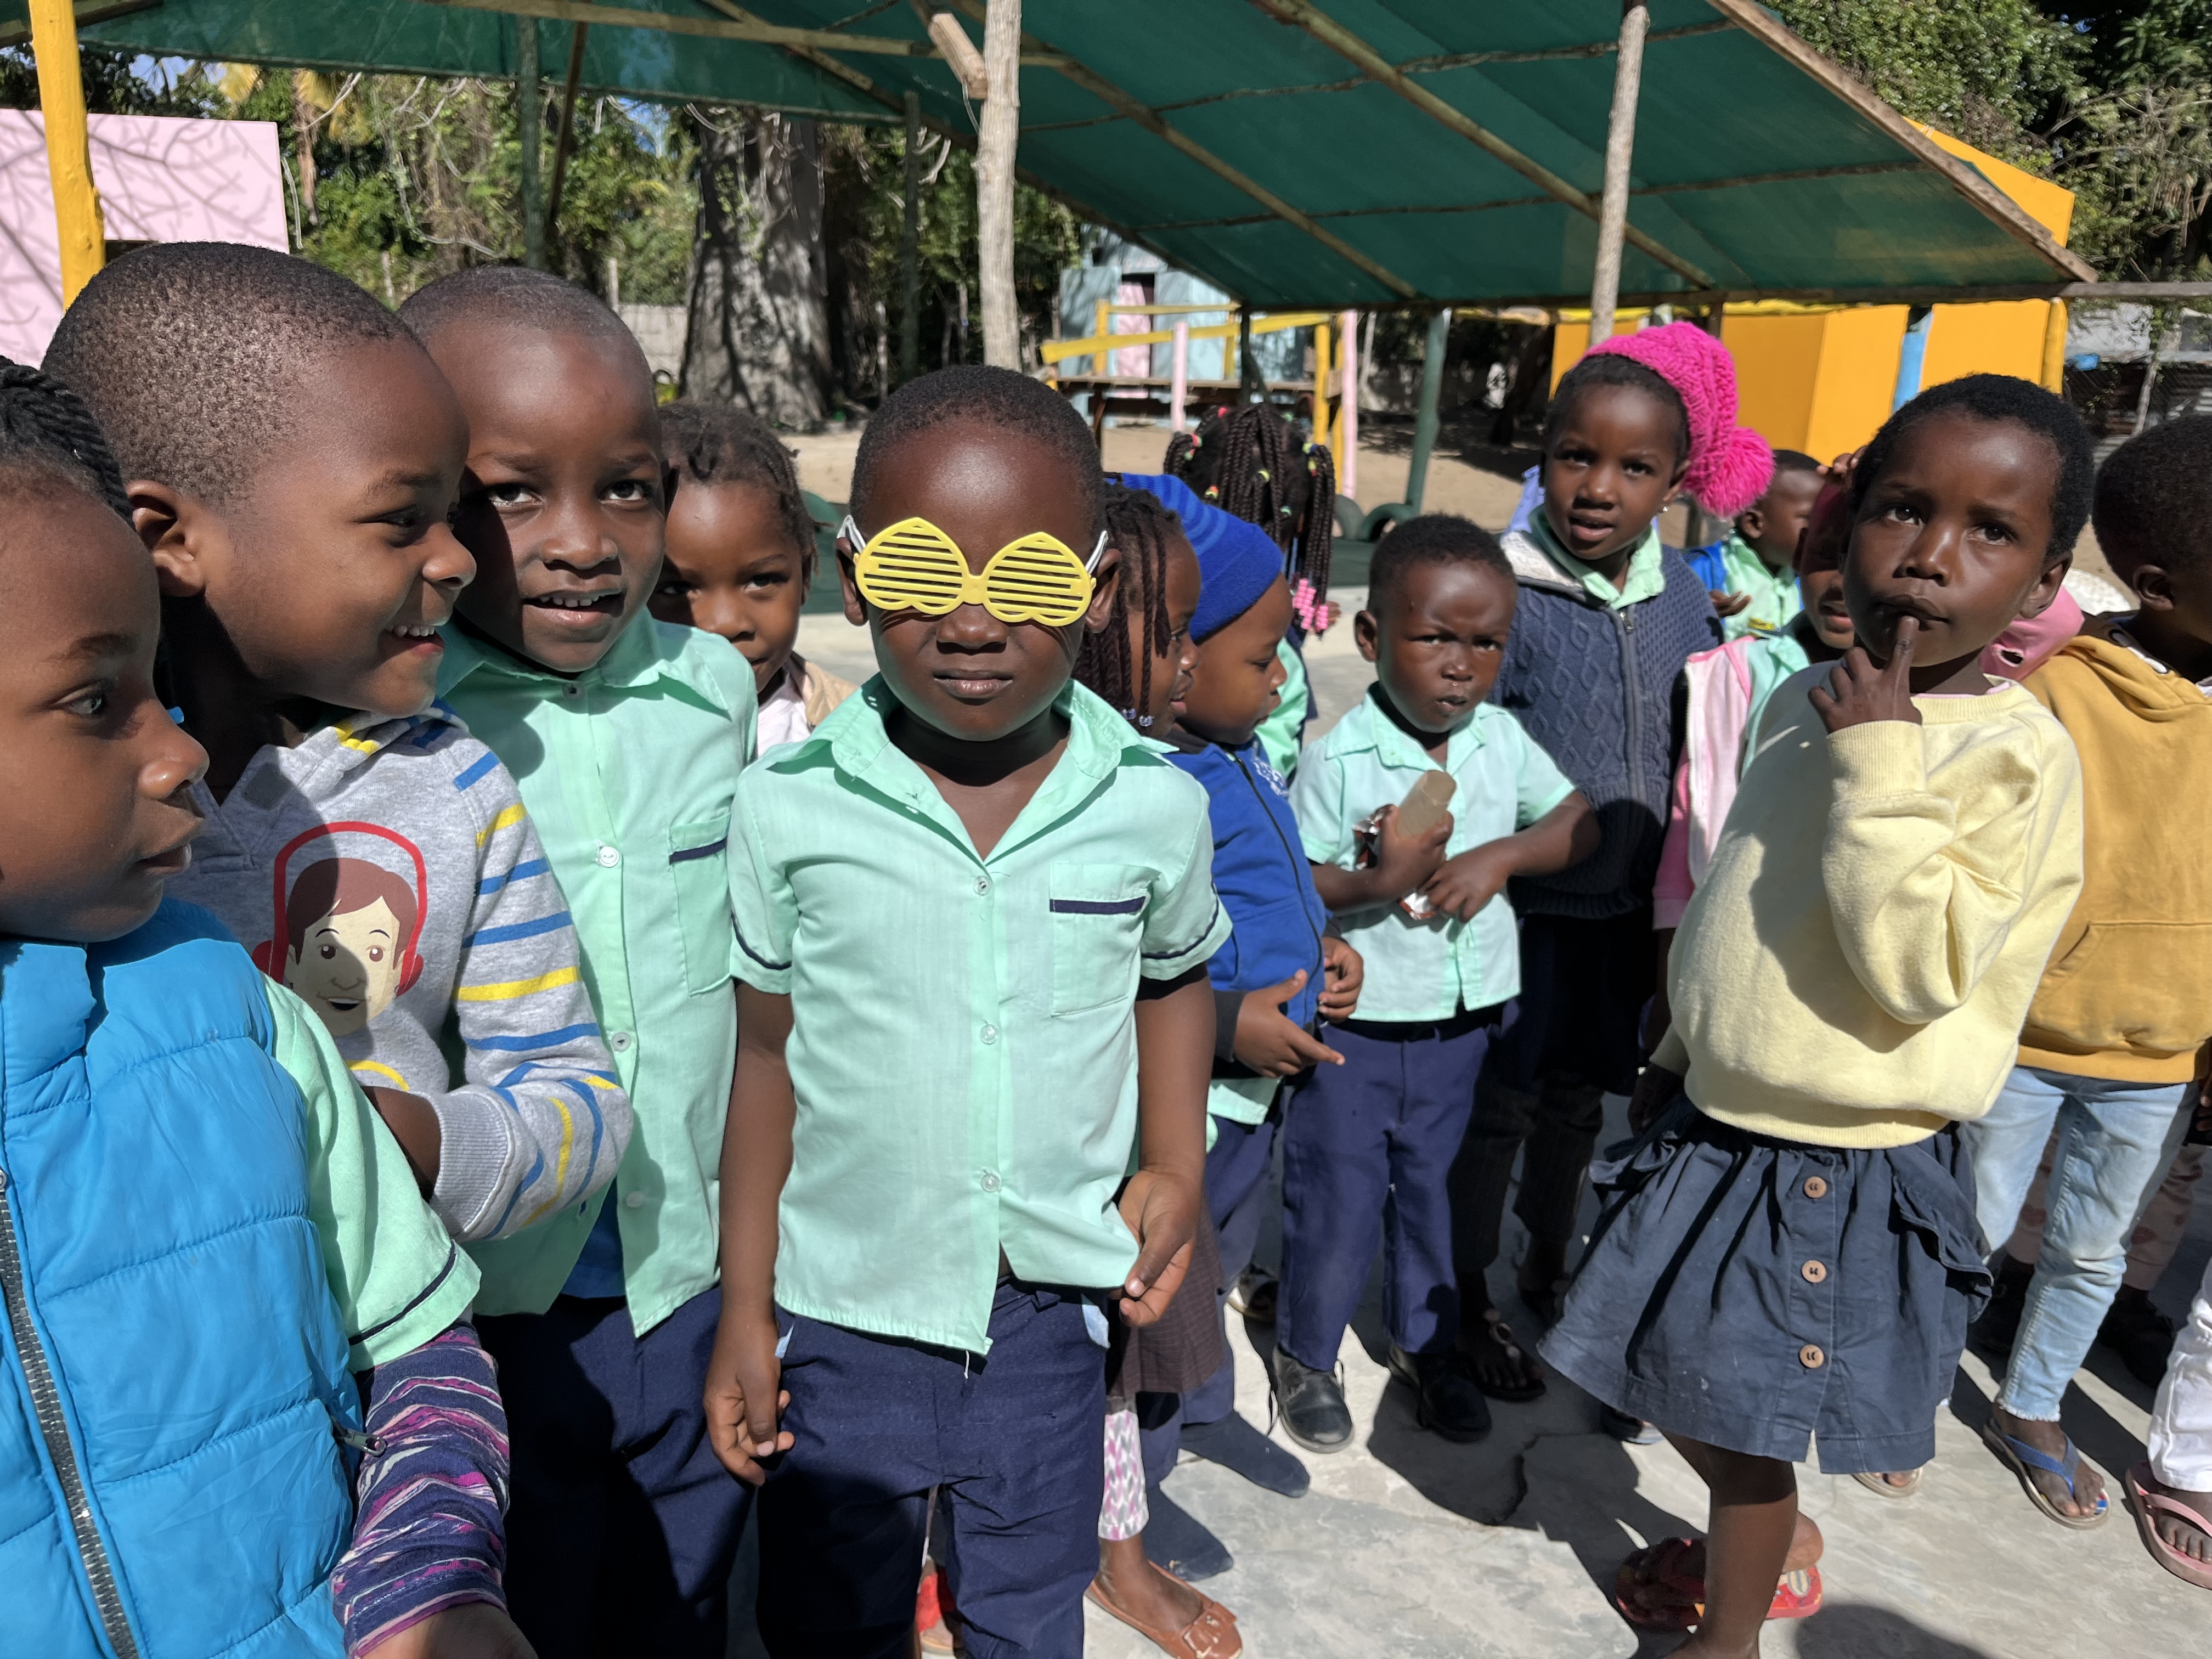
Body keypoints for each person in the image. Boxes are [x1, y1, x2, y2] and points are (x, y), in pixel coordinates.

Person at [1544, 374, 2091, 1654]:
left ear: (2044, 574)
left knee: (1739, 1431)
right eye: (1904, 510)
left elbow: (1919, 967)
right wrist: (1681, 1045)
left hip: (1837, 1161)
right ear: (1845, 526)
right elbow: (1749, 901)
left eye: (1990, 532)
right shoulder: (1811, 699)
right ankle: (1770, 1541)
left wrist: (1885, 762)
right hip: (1717, 1116)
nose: (1933, 557)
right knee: (1635, 1358)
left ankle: (1732, 1629)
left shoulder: (2014, 760)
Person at [0, 360, 522, 1658]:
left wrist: (429, 1581)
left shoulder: (233, 1009)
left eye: (156, 686)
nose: (179, 753)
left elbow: (419, 1348)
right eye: (92, 702)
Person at [704, 365, 1227, 1659]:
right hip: (840, 1313)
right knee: (832, 1616)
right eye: (923, 574)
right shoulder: (788, 808)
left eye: (1034, 580)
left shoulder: (1155, 808)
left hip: (1046, 1317)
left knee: (1026, 1612)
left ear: (1097, 591)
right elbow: (762, 1059)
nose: (976, 622)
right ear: (853, 569)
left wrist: (1175, 1160)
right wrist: (746, 1305)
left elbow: (1173, 975)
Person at [44, 242, 629, 1247]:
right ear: (167, 539)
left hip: (397, 1357)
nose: (456, 559)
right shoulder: (47, 791)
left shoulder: (455, 787)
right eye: (403, 520)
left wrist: (426, 1145)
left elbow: (580, 1096)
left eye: (451, 515)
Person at [397, 268, 760, 1657]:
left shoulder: (712, 691)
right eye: (512, 492)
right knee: (526, 1596)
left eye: (625, 487)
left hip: (682, 1265)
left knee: (675, 1596)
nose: (583, 543)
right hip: (486, 1291)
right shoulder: (405, 733)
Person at [1457, 322, 1735, 1400]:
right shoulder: (1507, 591)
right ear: (1543, 454)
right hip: (1523, 913)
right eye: (1576, 456)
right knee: (1501, 1107)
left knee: (1583, 1099)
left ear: (1673, 485)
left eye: (1634, 468)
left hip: (1630, 914)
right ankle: (1467, 1290)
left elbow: (1701, 751)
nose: (1599, 487)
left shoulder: (1684, 600)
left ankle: (1546, 1254)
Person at [1281, 514, 1596, 1449]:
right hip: (1360, 1023)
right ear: (1372, 638)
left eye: (1484, 642)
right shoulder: (1336, 757)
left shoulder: (1501, 741)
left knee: (1436, 1188)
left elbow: (1578, 819)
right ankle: (1306, 1350)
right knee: (1335, 1188)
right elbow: (1299, 880)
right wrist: (1375, 881)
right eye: (1433, 638)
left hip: (1462, 1025)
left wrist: (1501, 855)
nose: (1460, 664)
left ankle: (1429, 1346)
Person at [1950, 413, 2212, 1528]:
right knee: (1965, 1227)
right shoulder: (2057, 697)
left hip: (2161, 1052)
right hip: (2028, 1034)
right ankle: (1907, 1385)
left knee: (2091, 1253)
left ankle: (2033, 1405)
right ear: (2155, 584)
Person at [1120, 470, 1363, 1565]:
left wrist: (1325, 950)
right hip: (1191, 1098)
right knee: (1167, 1286)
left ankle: (1206, 1408)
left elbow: (1272, 890)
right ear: (1174, 662)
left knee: (1224, 1260)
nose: (1283, 682)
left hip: (1257, 1091)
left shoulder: (1230, 750)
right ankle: (1142, 1470)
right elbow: (1121, 979)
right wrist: (1229, 1026)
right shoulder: (1139, 787)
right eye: (1262, 658)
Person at [1071, 480, 1243, 1657]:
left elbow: (1174, 976)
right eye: (1168, 631)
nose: (1187, 663)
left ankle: (1117, 1554)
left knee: (1117, 1372)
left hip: (1130, 1146)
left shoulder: (1156, 784)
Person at [652, 398, 854, 744]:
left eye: (761, 581)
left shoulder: (859, 730)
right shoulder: (597, 731)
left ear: (804, 576)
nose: (726, 625)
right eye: (677, 590)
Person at [1164, 400, 1336, 777]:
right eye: (1262, 661)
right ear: (1301, 523)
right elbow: (1278, 756)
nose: (1278, 676)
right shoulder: (1279, 652)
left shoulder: (1139, 606)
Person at [1684, 449, 1824, 637]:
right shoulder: (1699, 572)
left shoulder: (1808, 583)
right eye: (1810, 518)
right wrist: (1694, 616)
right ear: (1754, 524)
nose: (1823, 530)